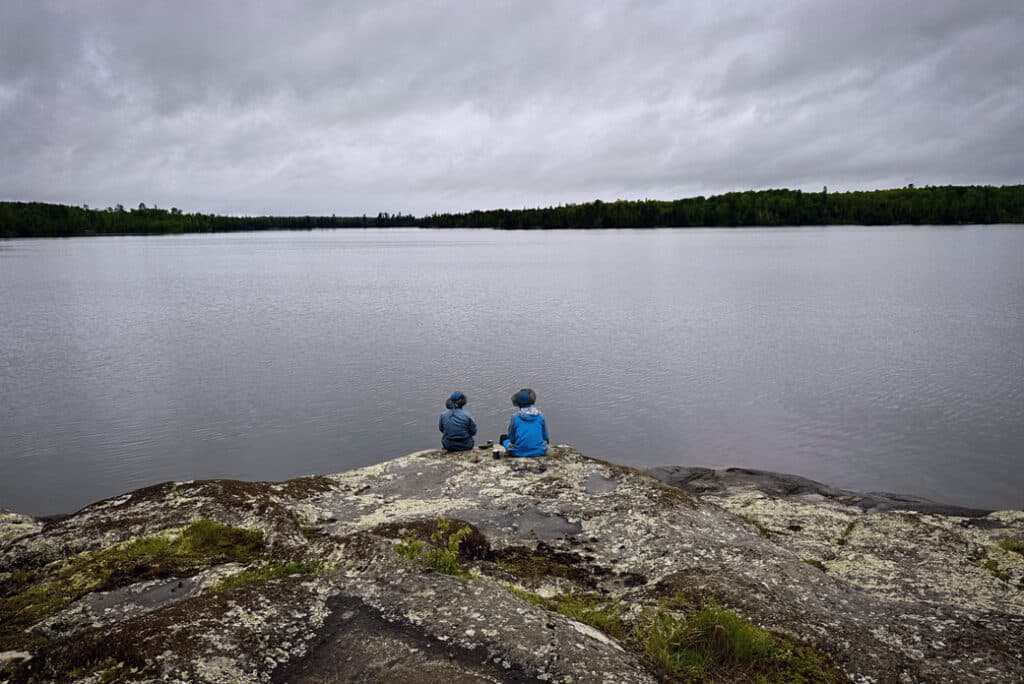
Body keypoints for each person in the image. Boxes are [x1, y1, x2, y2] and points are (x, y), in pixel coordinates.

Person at [501, 388, 548, 457]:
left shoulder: (515, 417)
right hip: (540, 451)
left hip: (518, 452)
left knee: (503, 438)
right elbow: (545, 436)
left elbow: (512, 438)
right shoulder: (540, 416)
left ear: (518, 404)